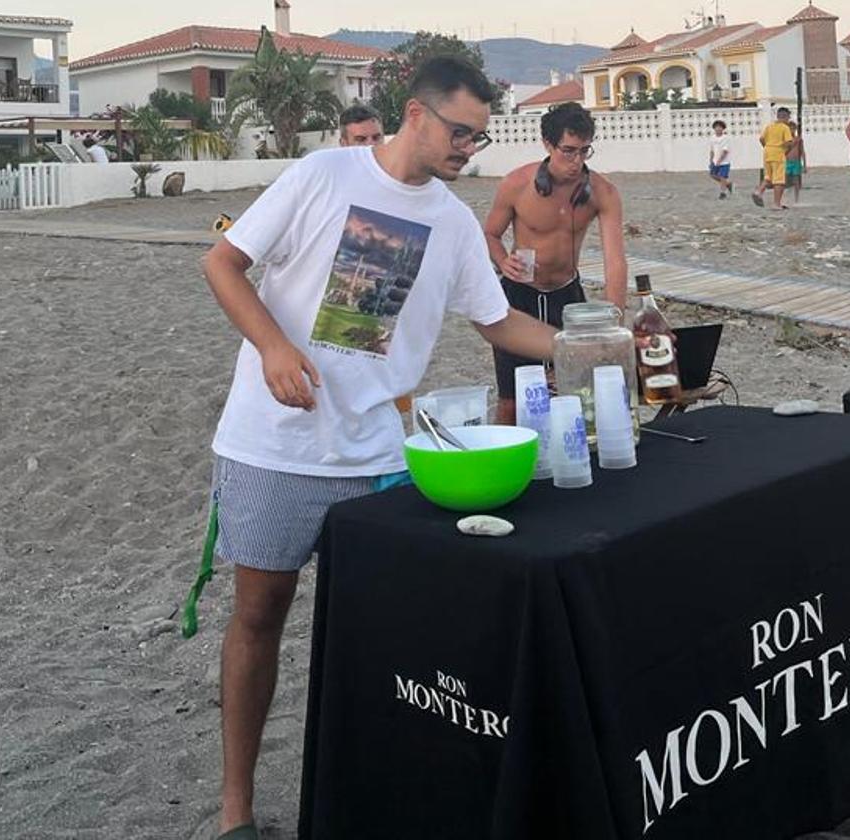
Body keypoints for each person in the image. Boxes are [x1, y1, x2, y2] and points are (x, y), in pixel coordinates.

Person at [200, 56, 558, 840]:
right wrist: (272, 349)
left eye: (481, 136)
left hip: (385, 459)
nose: (470, 148)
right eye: (460, 132)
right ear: (415, 114)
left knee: (388, 630)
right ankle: (236, 810)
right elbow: (223, 263)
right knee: (259, 616)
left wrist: (594, 347)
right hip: (276, 446)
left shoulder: (456, 222)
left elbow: (498, 323)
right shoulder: (324, 174)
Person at [482, 101, 628, 424]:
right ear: (548, 145)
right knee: (512, 401)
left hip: (567, 296)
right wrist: (503, 261)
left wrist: (613, 324)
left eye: (585, 152)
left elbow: (615, 262)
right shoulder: (516, 184)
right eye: (569, 151)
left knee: (577, 394)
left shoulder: (603, 193)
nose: (576, 162)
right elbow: (490, 234)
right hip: (519, 297)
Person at [752, 107, 794, 210]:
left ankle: (759, 192)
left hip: (767, 152)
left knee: (768, 177)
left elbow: (761, 139)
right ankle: (777, 203)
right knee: (779, 180)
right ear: (786, 116)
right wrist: (786, 148)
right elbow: (788, 142)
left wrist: (767, 147)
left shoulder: (769, 126)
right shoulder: (785, 128)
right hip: (778, 153)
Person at [708, 119, 733, 199]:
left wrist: (720, 160)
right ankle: (728, 183)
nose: (718, 129)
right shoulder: (712, 138)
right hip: (715, 161)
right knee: (712, 175)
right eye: (716, 127)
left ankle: (723, 193)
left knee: (722, 177)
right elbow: (712, 150)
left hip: (724, 162)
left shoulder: (726, 138)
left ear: (723, 128)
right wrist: (711, 160)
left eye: (720, 127)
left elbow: (725, 151)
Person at [785, 119, 807, 205]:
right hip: (787, 162)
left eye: (793, 129)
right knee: (785, 181)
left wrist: (804, 165)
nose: (792, 131)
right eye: (790, 129)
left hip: (796, 162)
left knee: (796, 181)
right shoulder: (786, 140)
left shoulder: (799, 139)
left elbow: (802, 152)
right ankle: (785, 196)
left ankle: (796, 199)